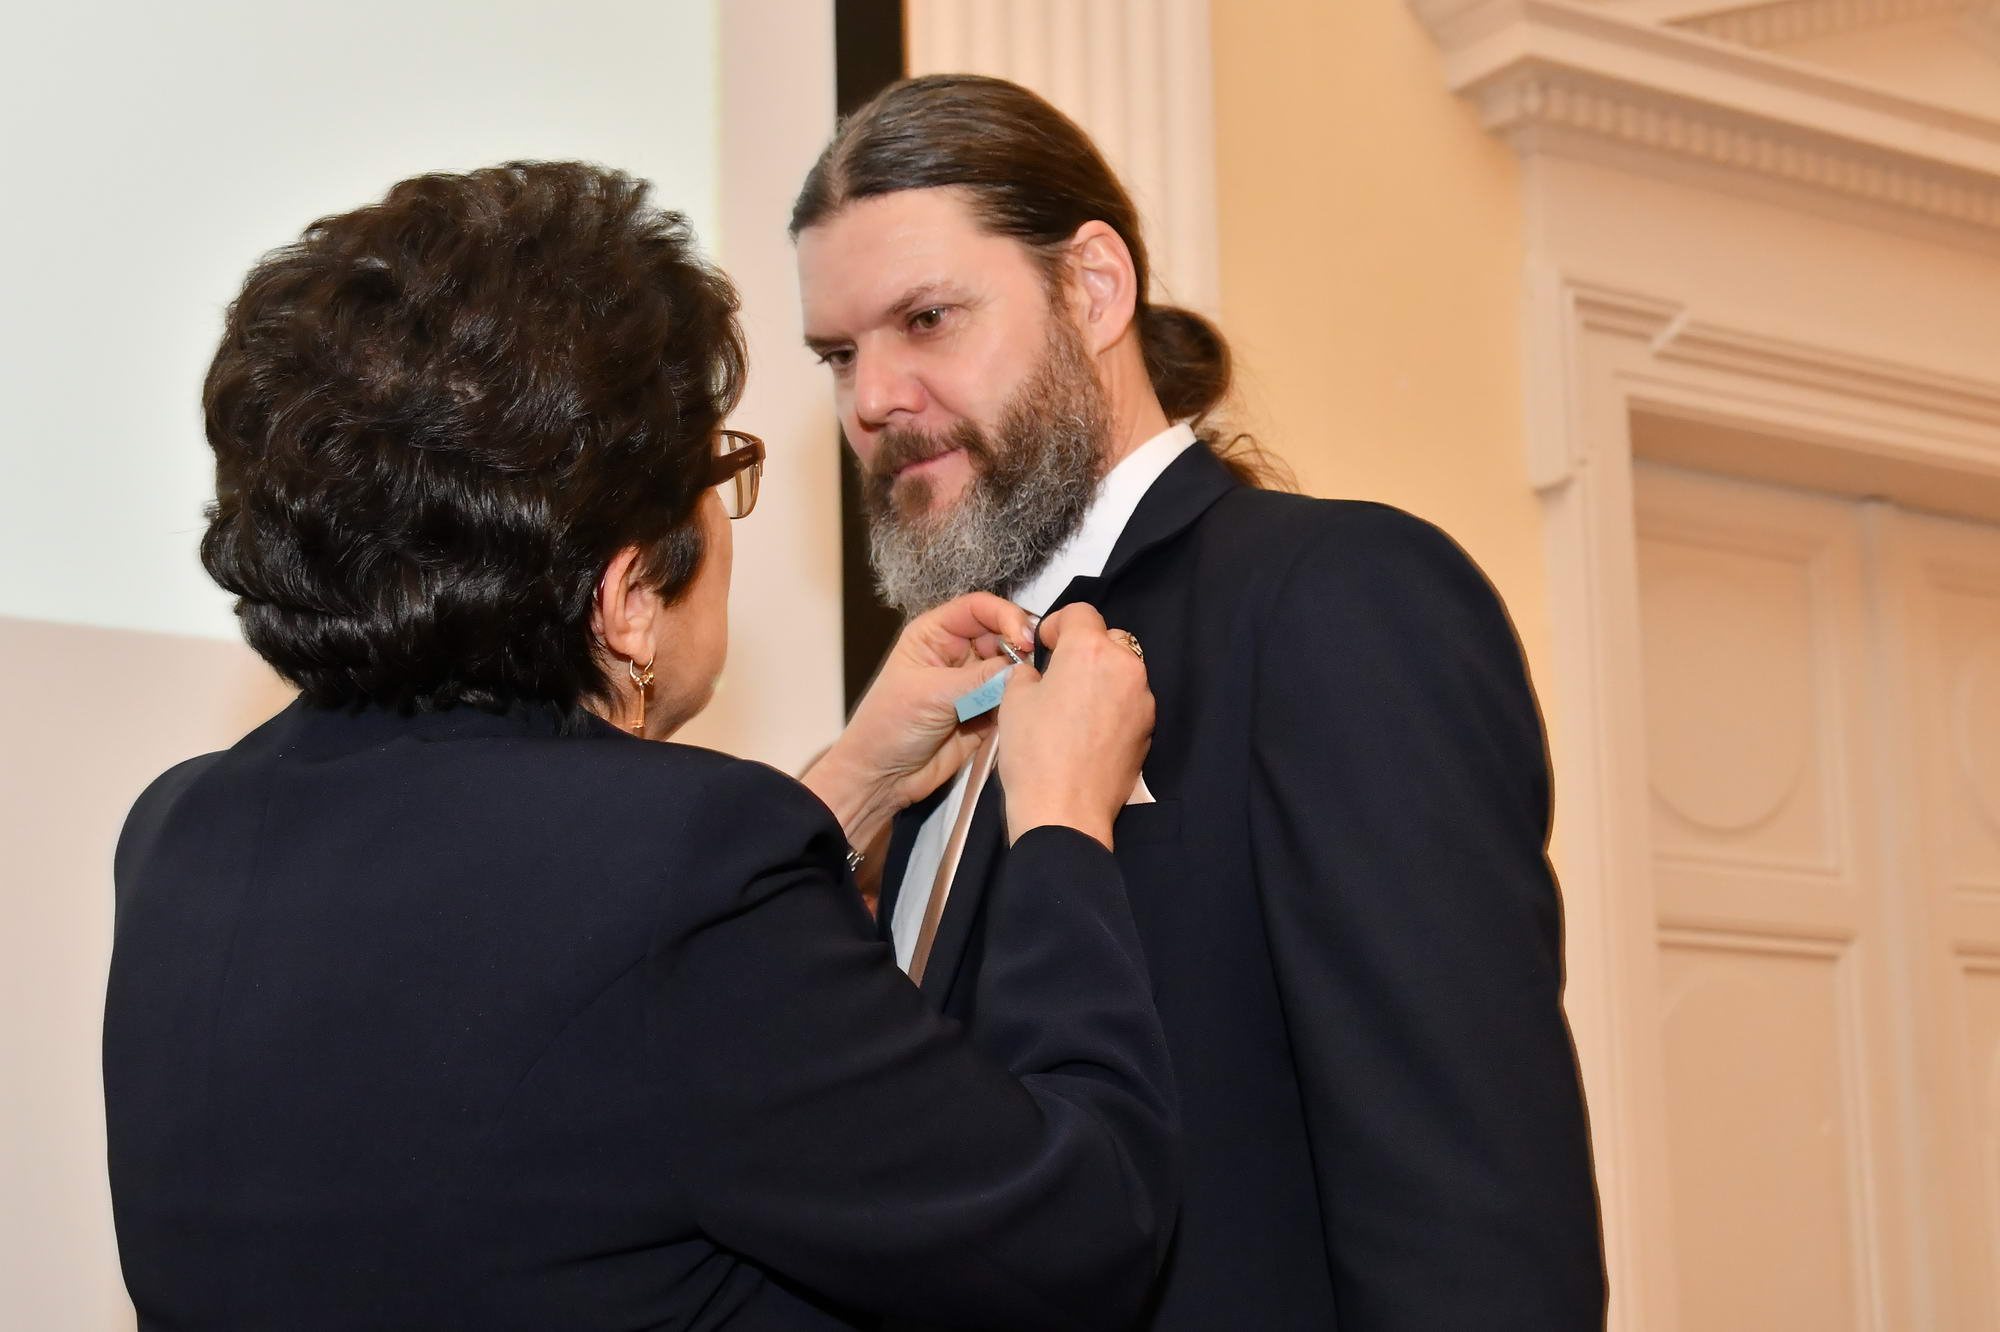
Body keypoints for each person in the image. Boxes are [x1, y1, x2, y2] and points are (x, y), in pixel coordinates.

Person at [102, 161, 1178, 1332]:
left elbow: (547, 1015)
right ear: (623, 597)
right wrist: (1061, 822)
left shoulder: (182, 831)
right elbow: (1078, 1234)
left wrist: (849, 783)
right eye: (720, 470)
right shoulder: (682, 859)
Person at [793, 75, 1607, 1329]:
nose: (871, 400)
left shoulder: (1331, 599)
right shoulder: (931, 704)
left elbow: (1473, 1215)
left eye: (927, 320)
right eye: (840, 355)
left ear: (1093, 287)